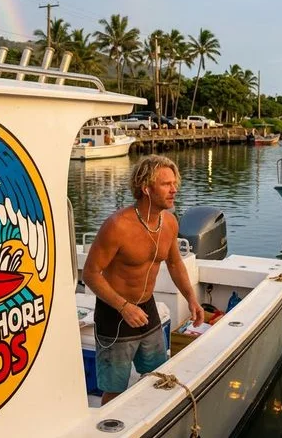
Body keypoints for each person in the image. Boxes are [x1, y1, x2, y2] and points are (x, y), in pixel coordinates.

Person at [83, 155, 204, 404]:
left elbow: (174, 262)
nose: (174, 189)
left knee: (158, 376)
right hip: (114, 315)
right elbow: (90, 274)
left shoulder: (169, 222)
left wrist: (192, 298)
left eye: (174, 183)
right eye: (166, 184)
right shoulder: (117, 226)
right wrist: (124, 307)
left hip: (147, 310)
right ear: (146, 188)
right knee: (114, 390)